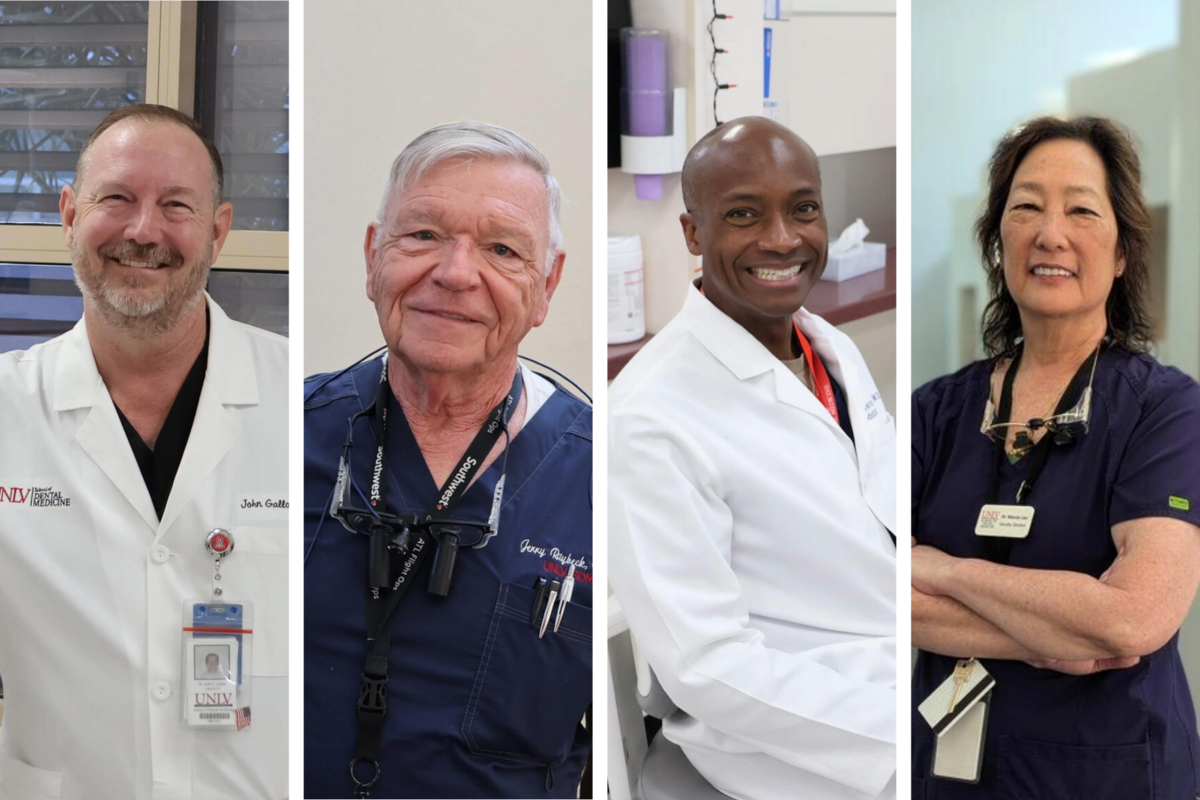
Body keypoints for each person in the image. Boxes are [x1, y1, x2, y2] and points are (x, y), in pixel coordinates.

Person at [0, 104, 288, 799]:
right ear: (69, 215)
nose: (143, 231)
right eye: (117, 199)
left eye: (176, 206)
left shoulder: (306, 404)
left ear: (217, 232)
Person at [609, 117, 897, 800]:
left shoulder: (828, 347)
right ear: (693, 234)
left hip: (894, 670)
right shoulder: (649, 416)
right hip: (795, 748)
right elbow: (707, 666)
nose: (782, 238)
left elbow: (882, 519)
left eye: (803, 208)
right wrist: (898, 728)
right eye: (744, 214)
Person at [911, 116, 1200, 798]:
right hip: (953, 773)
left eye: (1081, 210)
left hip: (1110, 775)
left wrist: (943, 570)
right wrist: (1055, 634)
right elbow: (880, 594)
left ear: (1123, 251)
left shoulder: (1165, 411)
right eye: (1027, 207)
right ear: (998, 238)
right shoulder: (935, 412)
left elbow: (1135, 619)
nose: (1051, 233)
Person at [303, 121, 593, 799]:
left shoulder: (606, 475)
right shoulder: (275, 436)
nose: (456, 273)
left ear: (546, 284)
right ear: (374, 257)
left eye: (501, 248)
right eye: (424, 235)